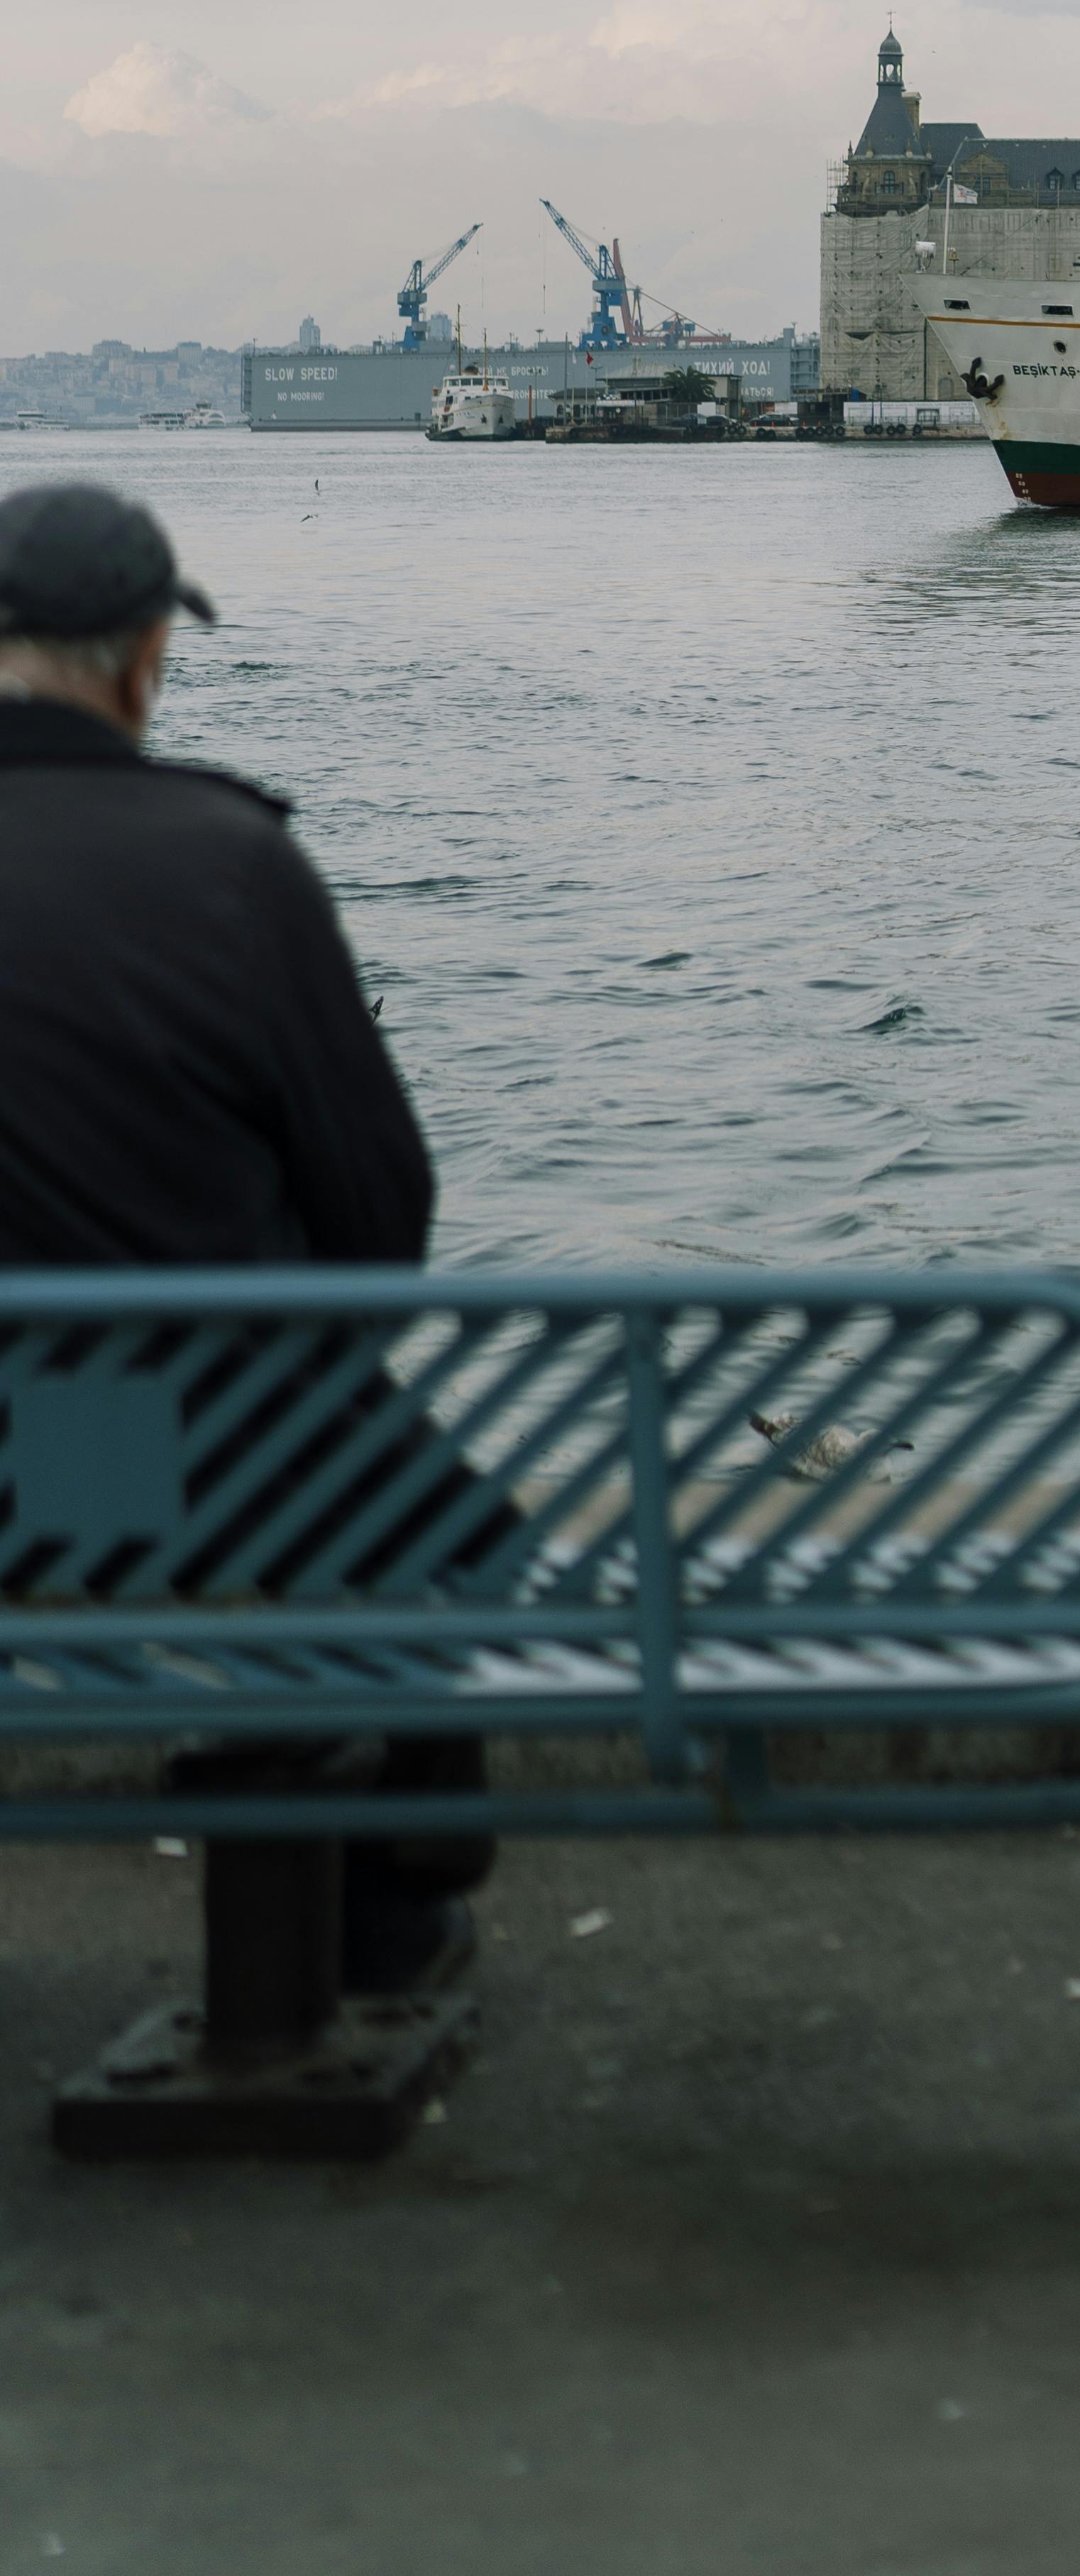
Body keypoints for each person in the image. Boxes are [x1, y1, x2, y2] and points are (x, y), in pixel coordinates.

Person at [0, 478, 493, 1976]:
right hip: (207, 1469)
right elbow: (379, 1198)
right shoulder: (232, 865)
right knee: (390, 1502)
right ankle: (390, 1912)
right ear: (149, 656)